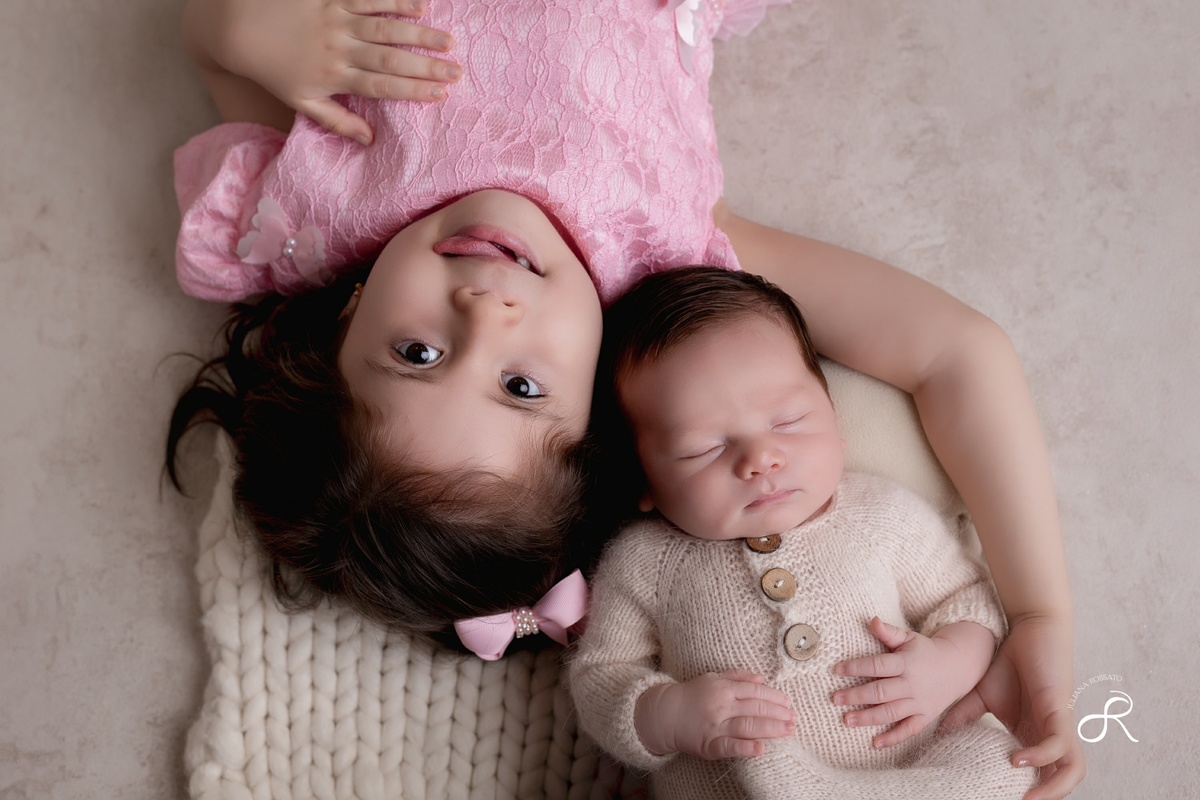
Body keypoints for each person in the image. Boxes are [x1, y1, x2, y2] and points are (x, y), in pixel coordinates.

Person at [167, 2, 1082, 796]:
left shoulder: (329, 210)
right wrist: (1040, 613)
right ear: (603, 401)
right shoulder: (673, 259)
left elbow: (214, 43)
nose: (484, 310)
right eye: (521, 387)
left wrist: (243, 27)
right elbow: (955, 354)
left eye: (415, 352)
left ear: (347, 319)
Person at [568, 266, 1036, 799]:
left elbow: (968, 599)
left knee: (1005, 761)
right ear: (643, 479)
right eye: (704, 448)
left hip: (912, 766)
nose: (760, 458)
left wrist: (949, 666)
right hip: (736, 784)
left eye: (788, 421)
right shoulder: (642, 560)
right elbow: (602, 677)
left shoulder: (881, 515)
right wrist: (666, 714)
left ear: (835, 423)